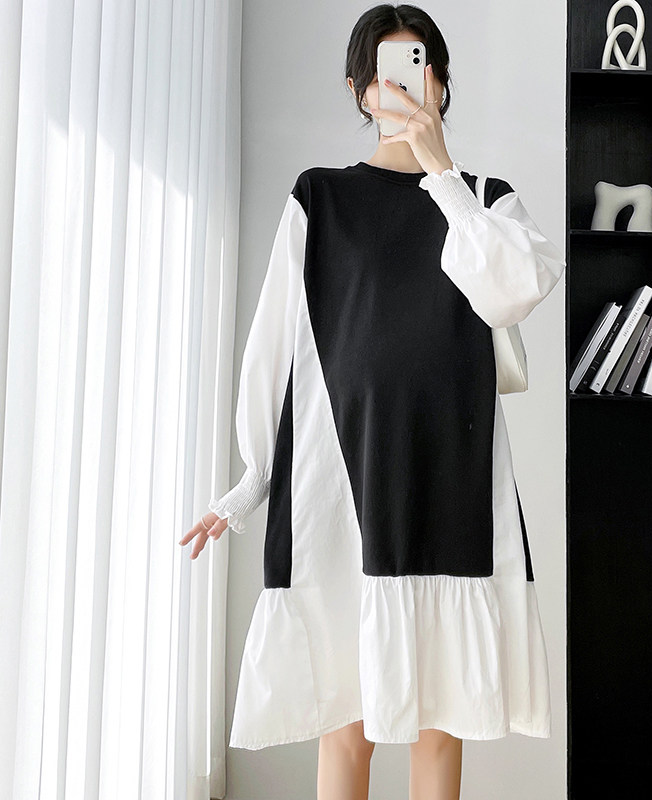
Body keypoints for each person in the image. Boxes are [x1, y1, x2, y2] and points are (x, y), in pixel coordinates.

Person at [179, 4, 565, 799]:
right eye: (387, 74)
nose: (405, 88)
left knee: (441, 720)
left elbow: (515, 290)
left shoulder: (485, 198)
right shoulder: (319, 197)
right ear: (360, 90)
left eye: (419, 68)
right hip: (339, 477)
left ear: (442, 82)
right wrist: (252, 481)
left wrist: (444, 176)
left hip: (449, 475)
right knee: (346, 722)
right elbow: (275, 342)